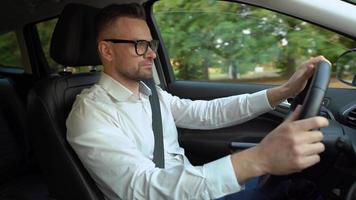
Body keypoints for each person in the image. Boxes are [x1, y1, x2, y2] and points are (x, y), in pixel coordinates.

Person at [66, 3, 330, 200]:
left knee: (297, 188)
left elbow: (206, 113)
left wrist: (282, 91)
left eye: (151, 43)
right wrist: (257, 159)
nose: (151, 54)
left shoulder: (149, 93)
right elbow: (143, 189)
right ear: (107, 50)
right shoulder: (90, 114)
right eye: (139, 45)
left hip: (194, 188)